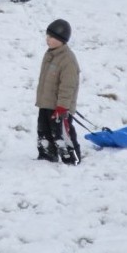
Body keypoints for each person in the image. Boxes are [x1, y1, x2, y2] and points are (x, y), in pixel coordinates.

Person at [35, 19, 82, 165]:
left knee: (62, 133)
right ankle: (47, 155)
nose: (47, 39)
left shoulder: (68, 60)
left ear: (61, 40)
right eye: (47, 36)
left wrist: (62, 107)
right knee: (43, 130)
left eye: (51, 37)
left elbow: (68, 86)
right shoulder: (50, 54)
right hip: (46, 103)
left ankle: (71, 157)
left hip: (60, 107)